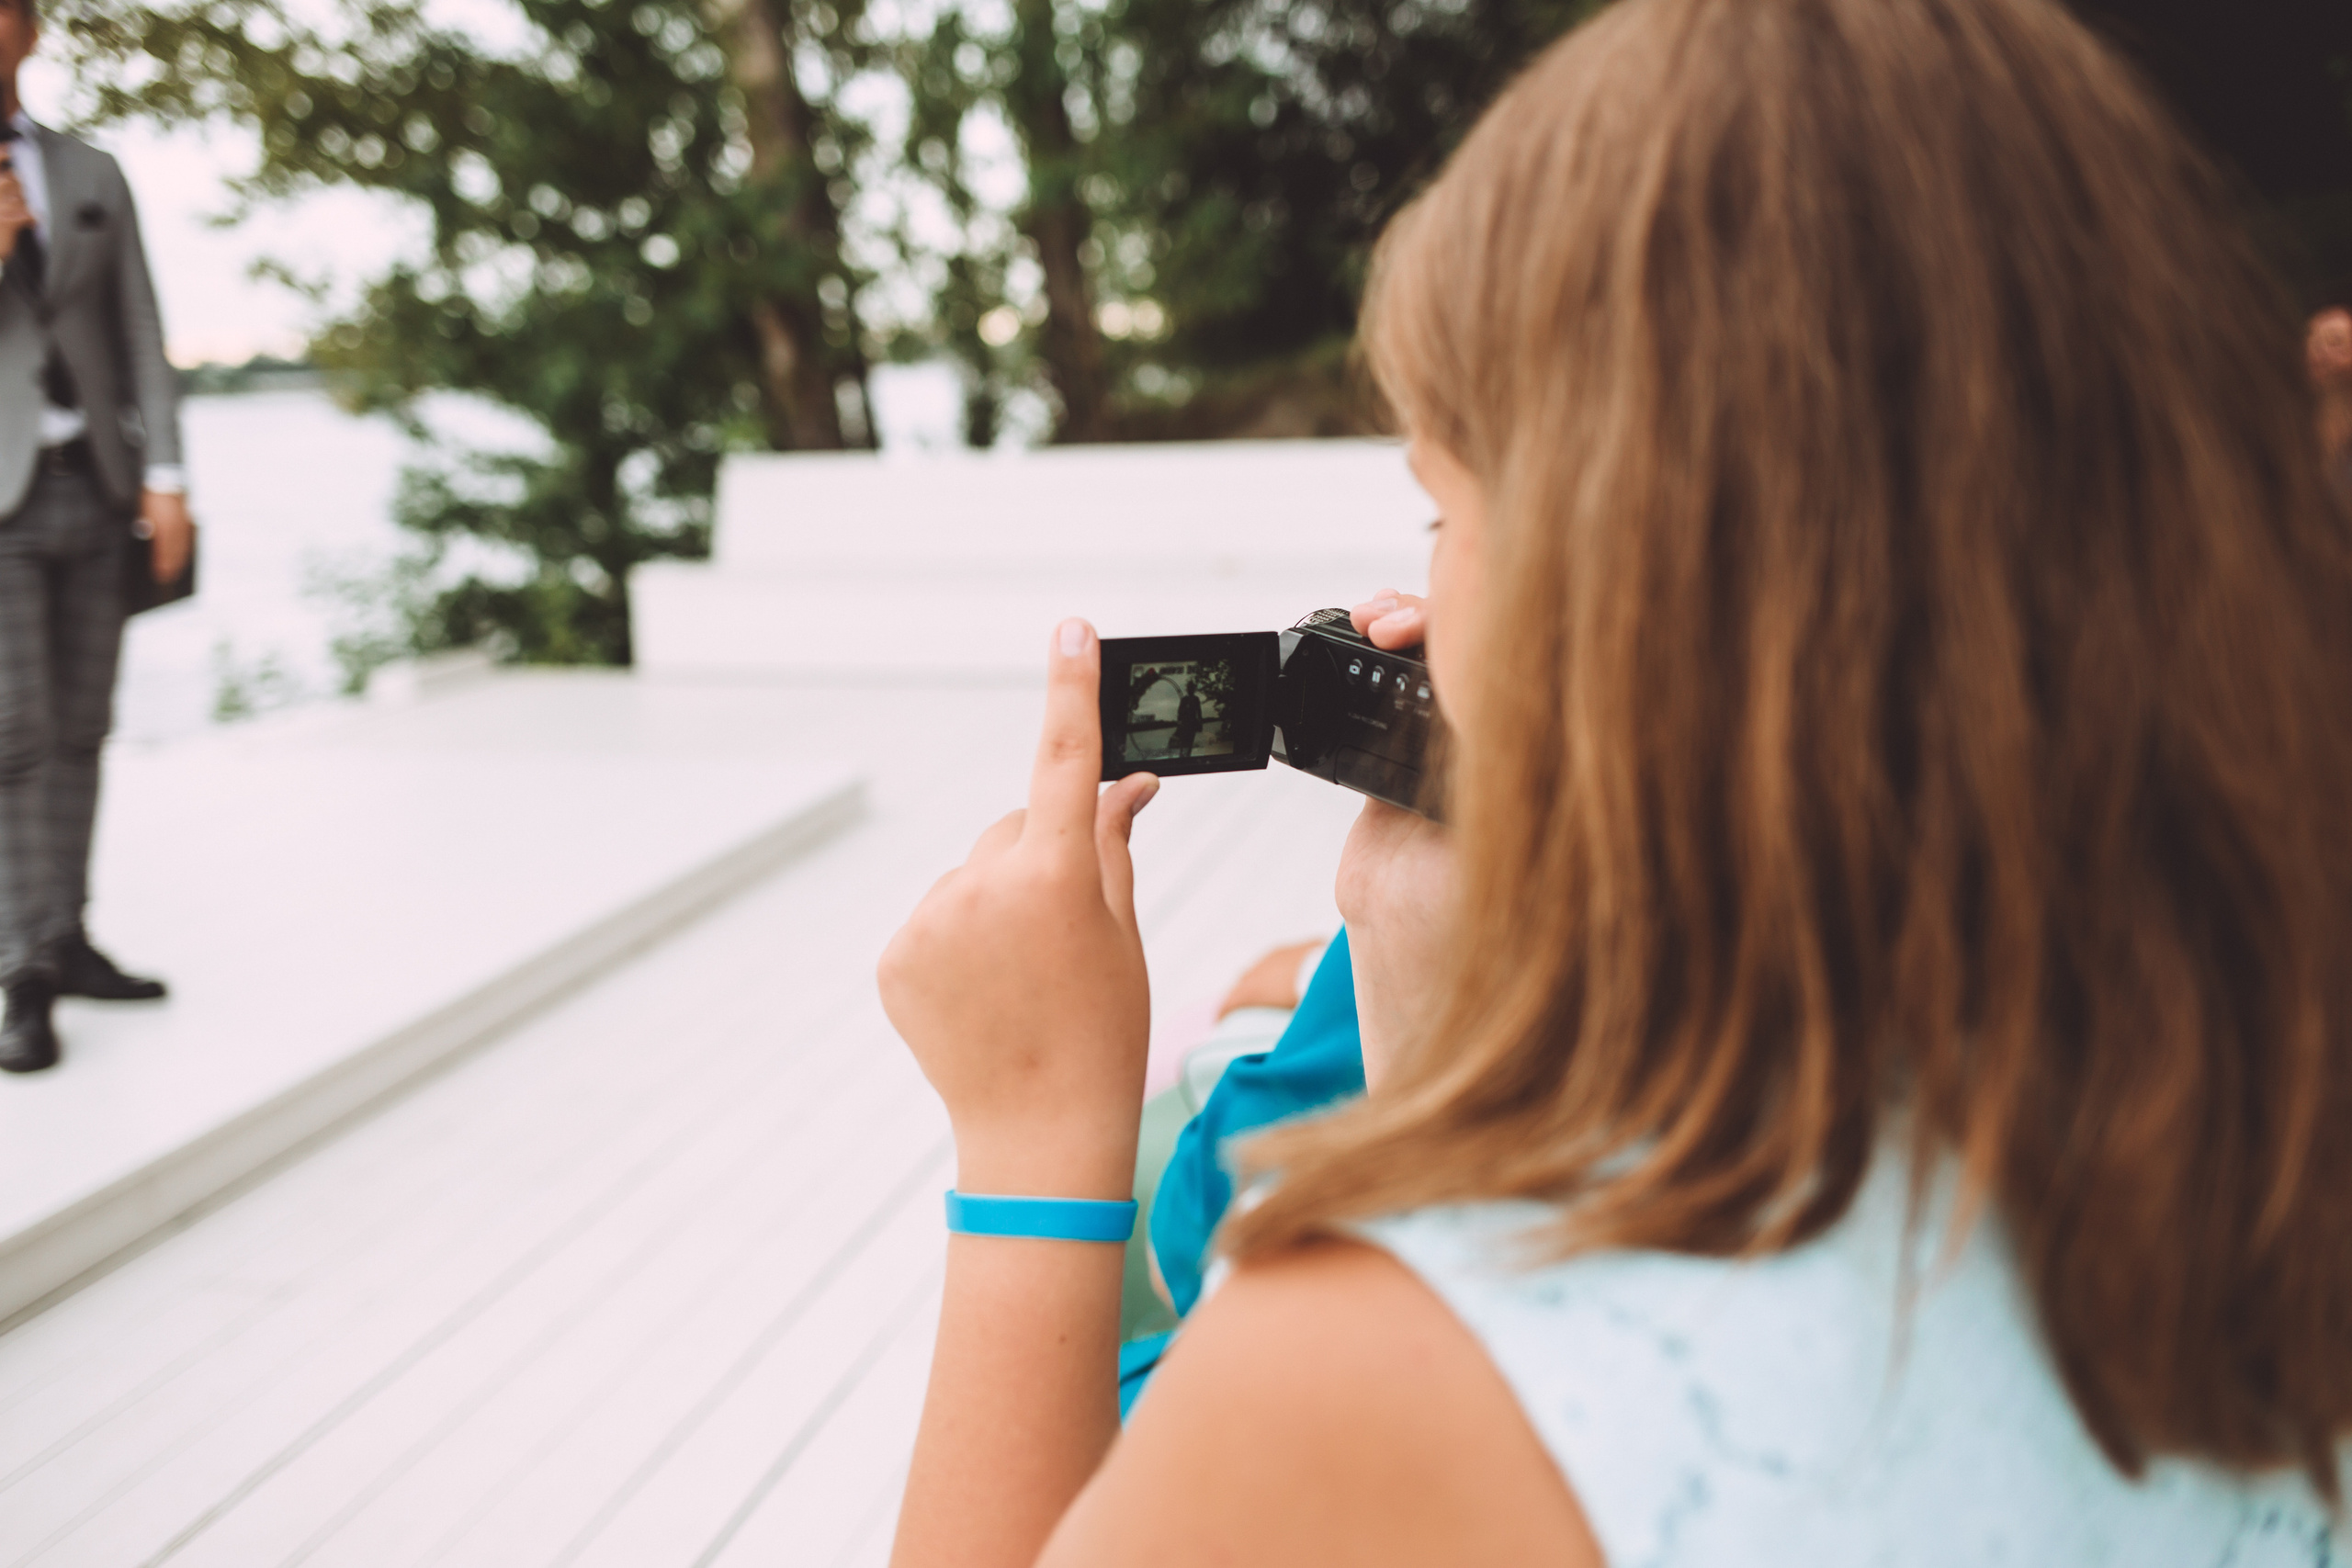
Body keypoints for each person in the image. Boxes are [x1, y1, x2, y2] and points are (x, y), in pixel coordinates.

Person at [876, 0, 2352, 1562]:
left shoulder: (1359, 1379)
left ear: (1634, 607)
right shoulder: (2266, 1113)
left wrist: (1033, 1141)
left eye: (1447, 513)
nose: (1427, 609)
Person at [0, 0, 187, 1075]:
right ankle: (17, 966)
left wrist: (164, 476)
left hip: (99, 488)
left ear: (30, 29)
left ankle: (66, 934)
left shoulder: (93, 172)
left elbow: (140, 329)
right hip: (2, 504)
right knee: (10, 732)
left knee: (81, 725)